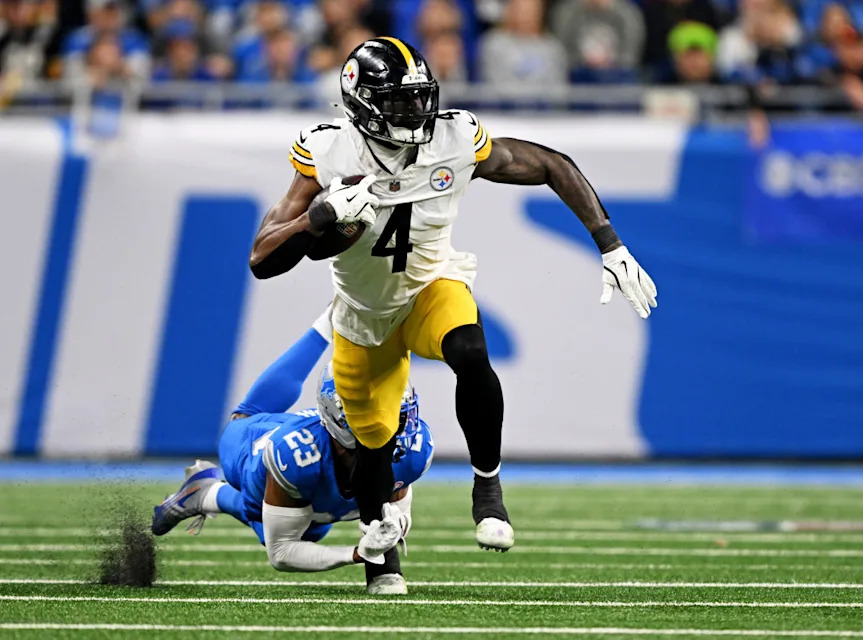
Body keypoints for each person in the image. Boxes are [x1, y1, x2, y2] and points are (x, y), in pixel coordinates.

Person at [247, 37, 658, 563]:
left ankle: (487, 489)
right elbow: (263, 258)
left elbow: (551, 164)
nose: (416, 111)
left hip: (429, 286)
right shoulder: (331, 151)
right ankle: (381, 560)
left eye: (420, 96)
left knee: (469, 350)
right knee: (373, 444)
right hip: (363, 315)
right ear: (364, 103)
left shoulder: (454, 138)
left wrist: (611, 244)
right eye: (400, 100)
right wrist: (318, 219)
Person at [152, 310, 434, 595]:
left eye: (399, 414)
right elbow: (282, 552)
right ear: (343, 420)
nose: (395, 427)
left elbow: (396, 507)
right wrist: (356, 554)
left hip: (317, 445)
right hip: (252, 447)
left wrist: (396, 525)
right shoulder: (294, 456)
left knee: (315, 523)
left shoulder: (413, 446)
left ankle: (331, 317)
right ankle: (207, 492)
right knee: (291, 517)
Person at [478, 0, 567, 88]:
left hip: (543, 101)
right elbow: (493, 88)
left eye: (531, 8)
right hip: (506, 101)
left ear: (541, 11)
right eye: (521, 7)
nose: (526, 14)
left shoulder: (553, 49)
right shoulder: (494, 45)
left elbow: (558, 91)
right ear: (510, 10)